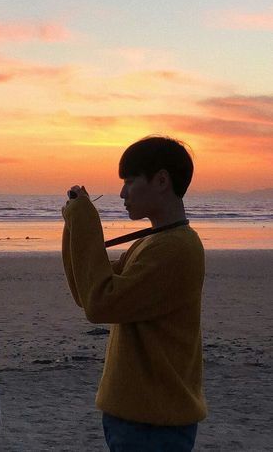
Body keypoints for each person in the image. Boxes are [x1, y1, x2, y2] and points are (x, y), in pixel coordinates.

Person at [62, 136, 207, 451]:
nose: (122, 193)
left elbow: (100, 304)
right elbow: (88, 290)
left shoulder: (175, 248)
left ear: (161, 180)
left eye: (129, 181)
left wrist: (85, 220)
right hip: (138, 416)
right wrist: (75, 224)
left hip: (153, 422)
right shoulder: (155, 242)